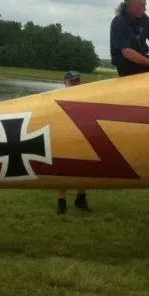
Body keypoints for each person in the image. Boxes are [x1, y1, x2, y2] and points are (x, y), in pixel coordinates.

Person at [57, 70, 89, 214]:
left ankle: (81, 198)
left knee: (84, 169)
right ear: (65, 83)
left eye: (77, 81)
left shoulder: (86, 97)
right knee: (62, 171)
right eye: (72, 81)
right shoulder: (58, 97)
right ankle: (61, 203)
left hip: (81, 137)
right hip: (64, 138)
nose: (75, 83)